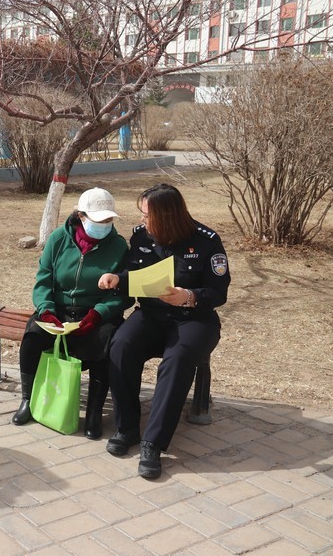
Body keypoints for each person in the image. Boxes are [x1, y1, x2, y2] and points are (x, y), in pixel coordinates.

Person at [98, 183, 231, 479]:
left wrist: (188, 296)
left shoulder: (207, 240)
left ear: (167, 215)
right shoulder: (141, 236)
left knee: (177, 360)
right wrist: (117, 279)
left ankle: (153, 443)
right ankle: (127, 428)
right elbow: (134, 274)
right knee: (121, 344)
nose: (142, 220)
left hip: (194, 320)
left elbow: (218, 292)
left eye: (147, 215)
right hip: (152, 315)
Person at [12, 187, 131, 439]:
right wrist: (46, 311)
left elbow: (123, 294)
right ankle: (28, 400)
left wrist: (98, 314)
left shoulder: (119, 246)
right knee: (32, 337)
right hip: (59, 311)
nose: (103, 225)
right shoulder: (58, 239)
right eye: (98, 220)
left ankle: (94, 412)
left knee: (105, 343)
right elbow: (43, 280)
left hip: (95, 314)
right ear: (81, 216)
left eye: (108, 220)